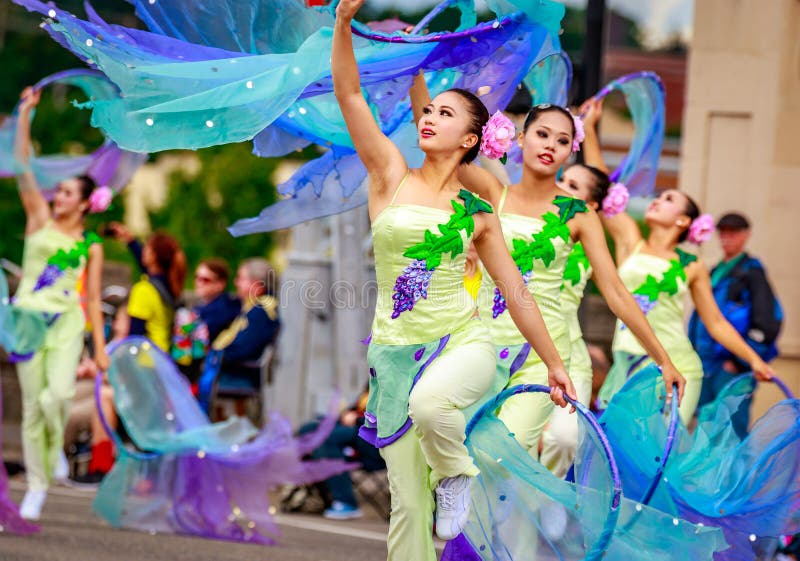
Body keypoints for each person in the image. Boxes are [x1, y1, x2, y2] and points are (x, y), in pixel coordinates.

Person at [333, 2, 575, 559]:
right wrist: (343, 24)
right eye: (428, 110)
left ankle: (458, 473)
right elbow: (350, 96)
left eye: (444, 114)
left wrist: (555, 364)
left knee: (431, 404)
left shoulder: (478, 211)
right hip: (393, 354)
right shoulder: (388, 174)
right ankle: (444, 494)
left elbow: (515, 292)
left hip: (464, 346)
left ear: (470, 139)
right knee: (410, 510)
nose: (428, 118)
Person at [408, 79, 686, 461]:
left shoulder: (579, 214)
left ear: (570, 151)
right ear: (521, 139)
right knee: (460, 456)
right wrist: (415, 76)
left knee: (500, 458)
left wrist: (663, 358)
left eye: (561, 141)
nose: (550, 146)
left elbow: (616, 291)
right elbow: (441, 142)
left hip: (541, 355)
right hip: (480, 348)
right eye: (542, 135)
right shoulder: (493, 192)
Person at [590, 104, 774, 422]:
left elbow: (715, 322)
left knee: (659, 456)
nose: (658, 200)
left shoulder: (692, 265)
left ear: (683, 221)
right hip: (627, 361)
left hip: (677, 365)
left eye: (669, 199)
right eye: (658, 197)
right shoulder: (630, 240)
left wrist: (753, 359)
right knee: (615, 451)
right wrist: (590, 130)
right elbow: (603, 190)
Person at [11, 86, 109, 520]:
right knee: (33, 406)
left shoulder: (91, 246)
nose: (59, 196)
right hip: (27, 320)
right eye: (60, 191)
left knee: (59, 397)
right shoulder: (38, 218)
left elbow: (91, 298)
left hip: (68, 320)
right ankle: (37, 483)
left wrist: (101, 348)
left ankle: (54, 451)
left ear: (86, 203)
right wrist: (24, 115)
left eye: (68, 192)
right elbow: (21, 167)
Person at [688, 212, 782, 437]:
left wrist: (739, 362)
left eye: (734, 232)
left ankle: (734, 474)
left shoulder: (752, 273)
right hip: (705, 363)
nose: (727, 238)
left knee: (730, 431)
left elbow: (767, 323)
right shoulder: (715, 271)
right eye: (723, 232)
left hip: (730, 369)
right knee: (703, 430)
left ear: (746, 235)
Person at [199, 258, 280, 414]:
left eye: (241, 279)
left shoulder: (261, 312)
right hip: (234, 371)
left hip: (238, 375)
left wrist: (220, 354)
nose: (236, 283)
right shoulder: (255, 307)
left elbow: (244, 348)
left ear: (256, 287)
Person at [106, 223, 187, 352]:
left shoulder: (144, 290)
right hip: (162, 356)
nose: (144, 251)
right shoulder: (169, 285)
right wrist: (130, 240)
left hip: (146, 359)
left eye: (147, 247)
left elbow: (135, 337)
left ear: (154, 256)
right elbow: (148, 270)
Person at [172, 258, 240, 384]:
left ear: (220, 284)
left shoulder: (222, 309)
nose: (198, 283)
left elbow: (199, 340)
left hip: (206, 370)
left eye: (205, 280)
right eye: (197, 277)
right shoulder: (205, 306)